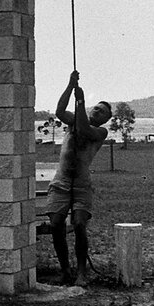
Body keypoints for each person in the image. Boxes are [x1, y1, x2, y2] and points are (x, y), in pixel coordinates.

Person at [44, 70, 113, 286]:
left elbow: (84, 129)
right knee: (56, 224)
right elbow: (59, 111)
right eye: (97, 107)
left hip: (82, 184)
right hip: (61, 181)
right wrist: (70, 85)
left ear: (105, 120)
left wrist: (81, 100)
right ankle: (65, 270)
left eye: (102, 112)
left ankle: (82, 272)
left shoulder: (100, 133)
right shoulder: (73, 119)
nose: (97, 111)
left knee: (80, 224)